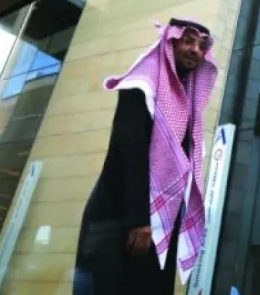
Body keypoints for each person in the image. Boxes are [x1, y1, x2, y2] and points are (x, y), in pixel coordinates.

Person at [74, 19, 218, 295]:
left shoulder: (187, 103)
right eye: (188, 41)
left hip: (162, 223)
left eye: (202, 46)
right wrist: (139, 220)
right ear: (170, 42)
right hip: (123, 218)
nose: (195, 50)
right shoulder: (141, 86)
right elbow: (131, 153)